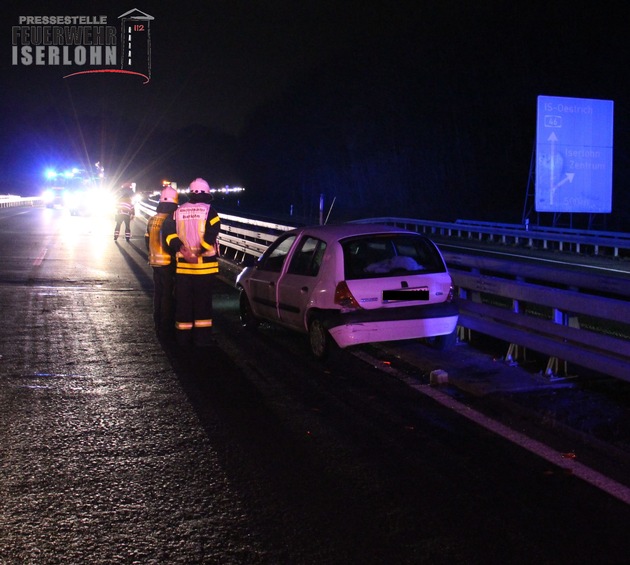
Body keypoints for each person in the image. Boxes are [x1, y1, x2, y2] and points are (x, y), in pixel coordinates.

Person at [162, 178, 220, 348]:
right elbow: (212, 233)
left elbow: (169, 234)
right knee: (203, 304)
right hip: (205, 268)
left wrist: (182, 249)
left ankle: (183, 339)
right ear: (206, 193)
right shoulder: (210, 211)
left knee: (183, 304)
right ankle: (202, 340)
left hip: (183, 268)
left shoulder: (178, 212)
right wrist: (199, 251)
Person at [145, 185, 179, 339]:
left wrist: (152, 253)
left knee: (158, 294)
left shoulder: (152, 219)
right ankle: (166, 326)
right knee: (167, 295)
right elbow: (170, 241)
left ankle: (157, 322)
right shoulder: (169, 220)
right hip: (166, 262)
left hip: (154, 261)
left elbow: (147, 240)